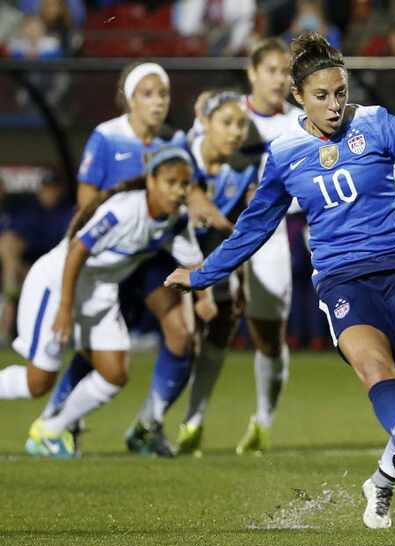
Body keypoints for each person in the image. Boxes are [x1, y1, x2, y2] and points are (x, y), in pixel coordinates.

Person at [164, 32, 395, 529]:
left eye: (340, 92)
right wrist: (204, 273)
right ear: (298, 97)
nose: (334, 106)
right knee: (378, 371)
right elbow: (254, 227)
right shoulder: (285, 154)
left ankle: (382, 479)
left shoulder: (379, 125)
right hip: (342, 280)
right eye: (321, 96)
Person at [39, 61, 229, 457]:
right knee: (96, 350)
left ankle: (149, 424)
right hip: (109, 256)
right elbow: (86, 203)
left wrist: (217, 218)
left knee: (182, 334)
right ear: (129, 98)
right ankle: (59, 415)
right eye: (147, 93)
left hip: (151, 255)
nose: (157, 102)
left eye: (163, 94)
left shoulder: (172, 142)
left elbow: (190, 194)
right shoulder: (106, 138)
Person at [0, 148, 215, 458]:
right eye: (171, 182)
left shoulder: (176, 221)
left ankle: (50, 432)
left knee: (114, 374)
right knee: (37, 383)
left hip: (99, 291)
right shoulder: (123, 210)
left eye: (185, 185)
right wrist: (64, 309)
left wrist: (205, 298)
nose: (179, 191)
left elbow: (194, 263)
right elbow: (76, 251)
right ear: (152, 181)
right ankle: (49, 427)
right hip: (57, 284)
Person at [177, 38, 304, 457]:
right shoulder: (226, 115)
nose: (280, 79)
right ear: (252, 73)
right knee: (215, 325)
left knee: (269, 334)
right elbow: (189, 162)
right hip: (220, 232)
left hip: (270, 235)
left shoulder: (302, 123)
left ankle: (263, 423)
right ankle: (191, 421)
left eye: (287, 71)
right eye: (272, 70)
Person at [0, 175, 74, 345]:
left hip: (58, 266)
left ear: (59, 190)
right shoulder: (31, 211)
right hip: (29, 267)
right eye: (45, 189)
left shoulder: (67, 211)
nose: (48, 193)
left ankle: (64, 334)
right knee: (9, 246)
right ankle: (4, 333)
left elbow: (66, 244)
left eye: (52, 189)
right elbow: (17, 239)